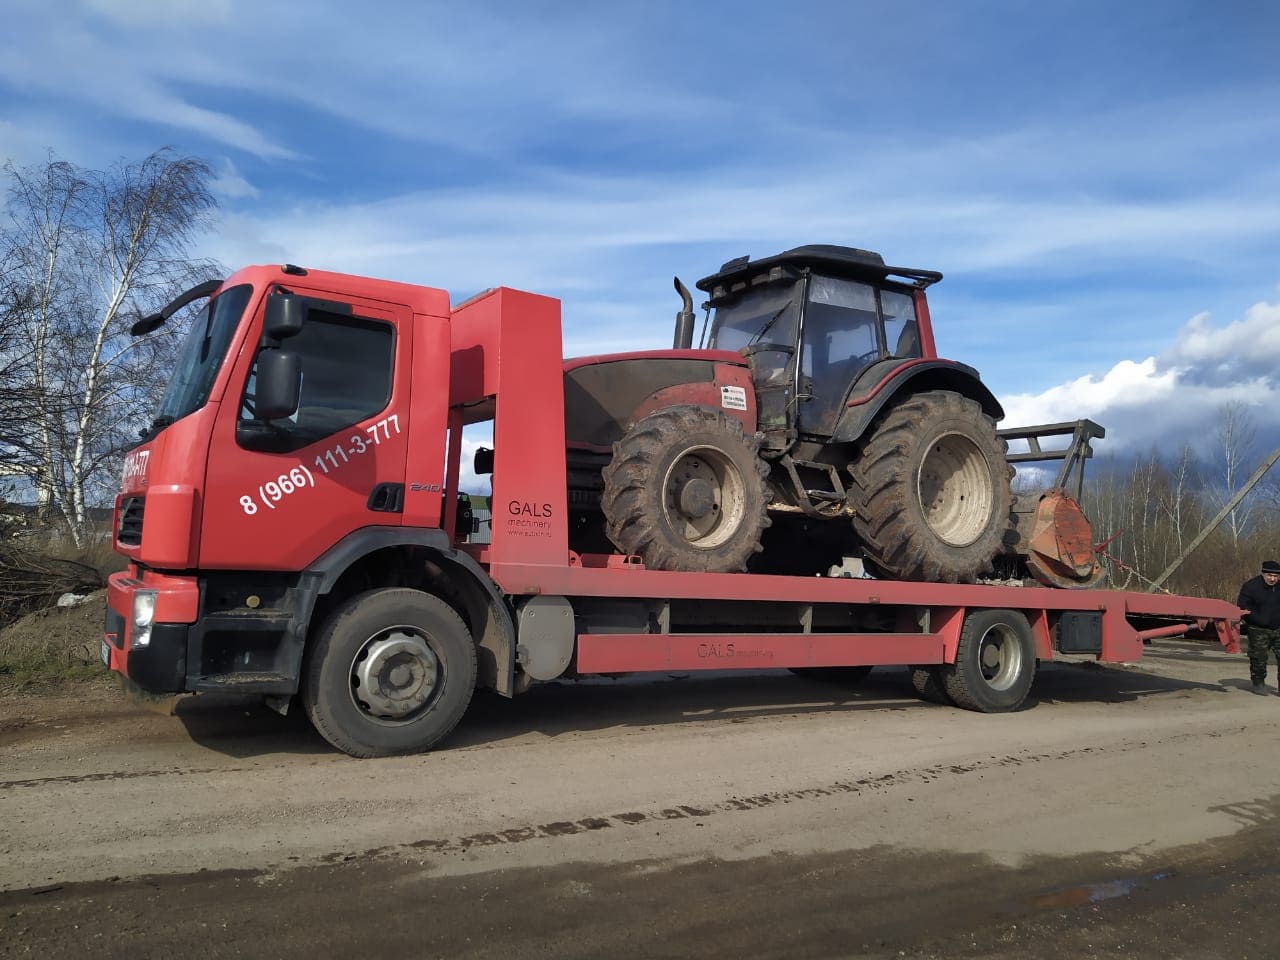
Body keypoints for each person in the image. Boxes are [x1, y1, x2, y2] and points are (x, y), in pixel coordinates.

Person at [1238, 560, 1280, 695]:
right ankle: (1258, 683)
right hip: (1258, 629)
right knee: (1258, 658)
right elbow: (1242, 606)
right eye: (1269, 575)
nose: (1272, 579)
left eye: (1276, 576)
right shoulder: (1251, 587)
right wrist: (1256, 619)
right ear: (1263, 573)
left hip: (1278, 627)